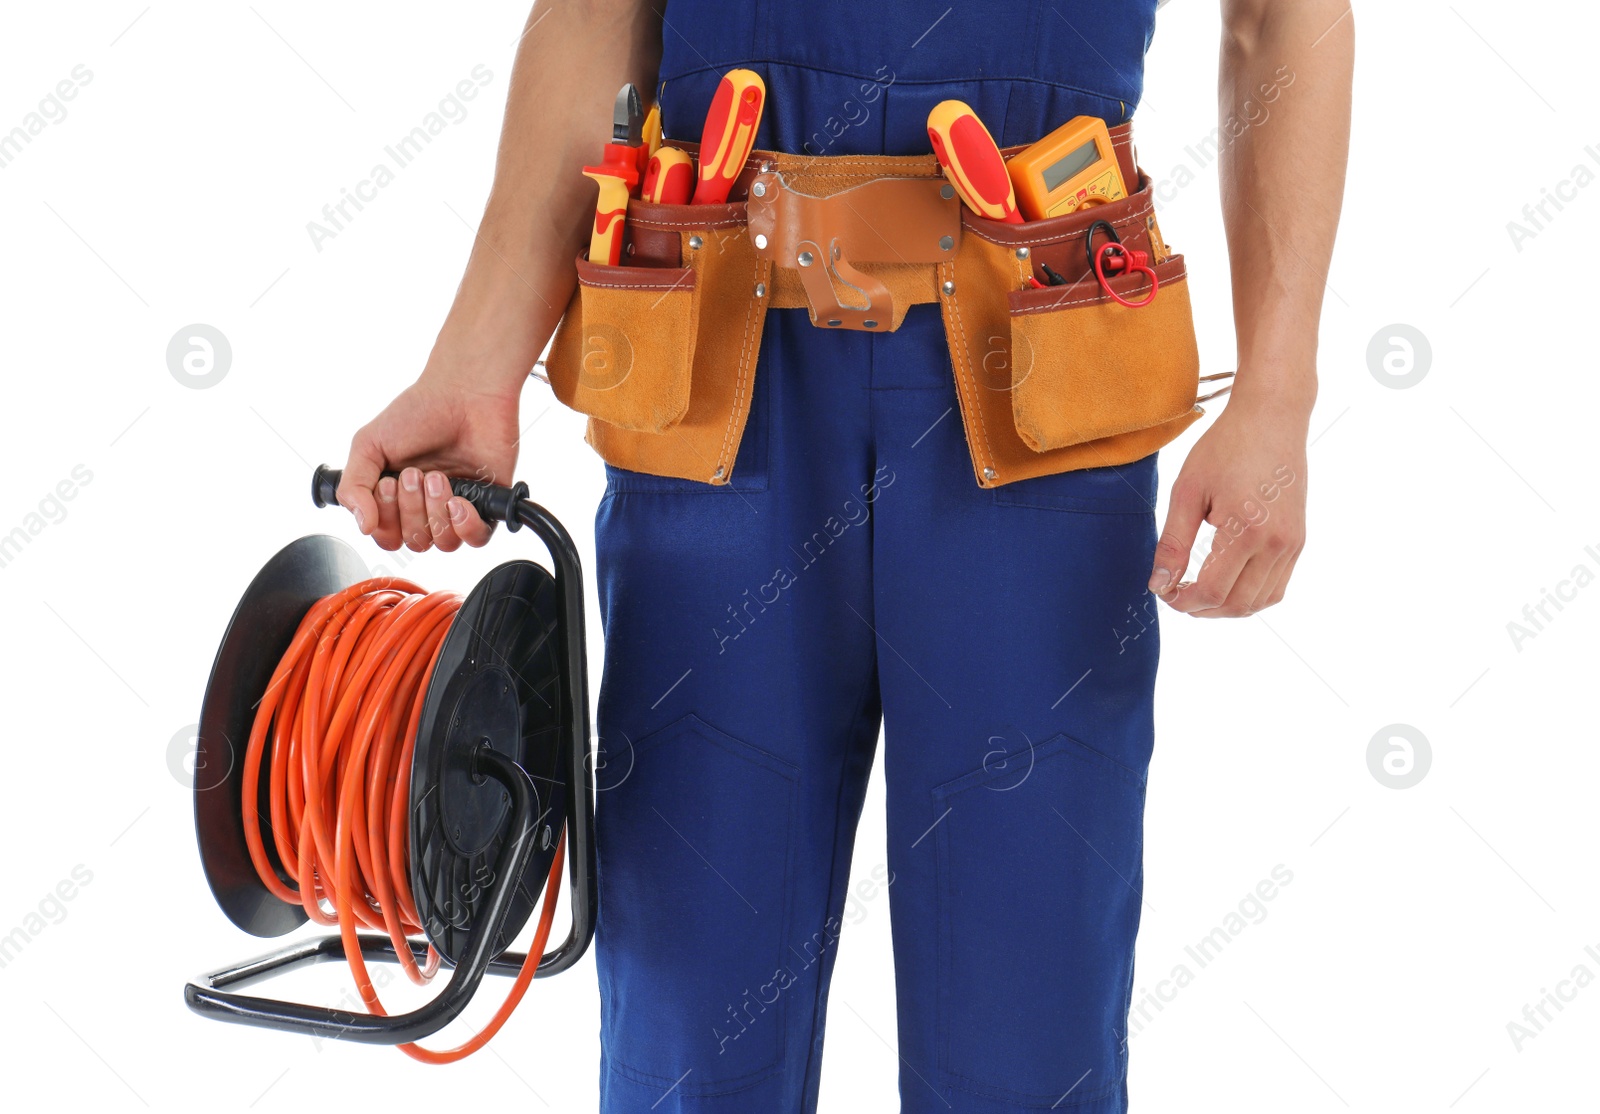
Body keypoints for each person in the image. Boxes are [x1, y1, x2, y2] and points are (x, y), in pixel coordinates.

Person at [335, 1, 1353, 1109]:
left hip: (1038, 378)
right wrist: (476, 367)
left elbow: (1278, 16)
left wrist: (1278, 395)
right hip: (718, 390)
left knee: (1026, 1032)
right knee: (690, 1029)